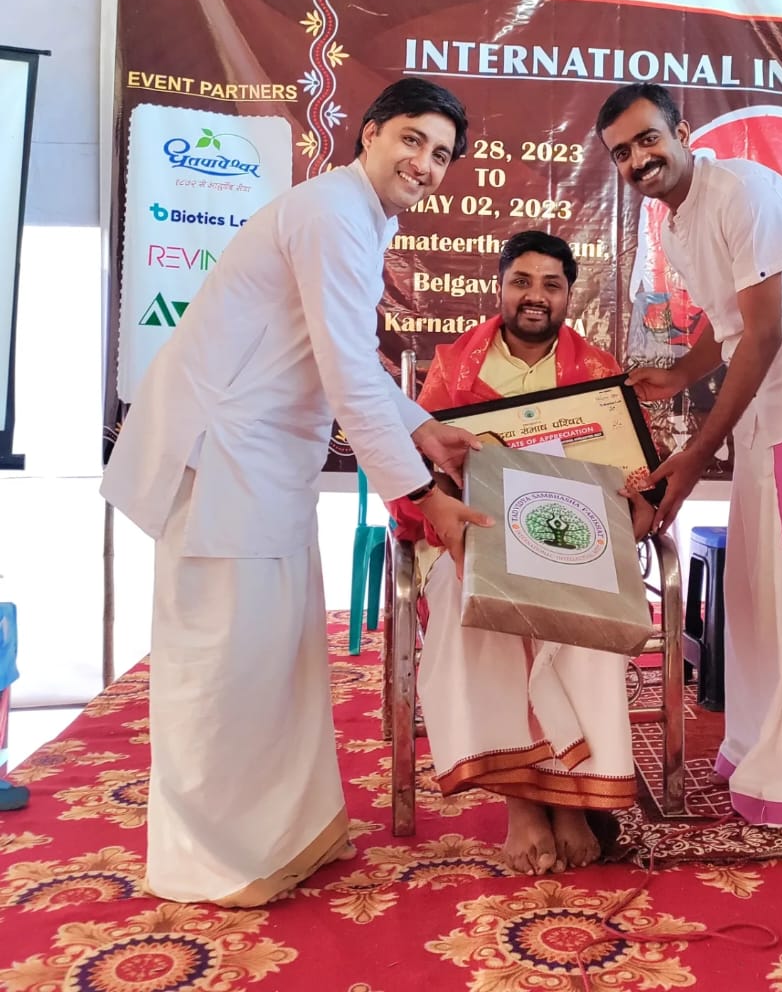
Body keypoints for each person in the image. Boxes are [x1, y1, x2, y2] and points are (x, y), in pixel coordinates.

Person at [101, 78, 491, 905]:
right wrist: (427, 496)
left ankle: (290, 835)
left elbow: (340, 355)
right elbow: (346, 372)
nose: (425, 164)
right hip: (222, 459)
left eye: (441, 154)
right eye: (413, 140)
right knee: (223, 663)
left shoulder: (358, 216)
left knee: (277, 654)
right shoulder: (330, 212)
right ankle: (214, 862)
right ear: (371, 133)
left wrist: (424, 426)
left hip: (267, 463)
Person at [595, 82, 782, 843]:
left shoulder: (741, 192)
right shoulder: (678, 221)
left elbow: (763, 334)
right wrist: (679, 372)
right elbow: (730, 323)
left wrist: (697, 454)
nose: (638, 159)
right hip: (775, 384)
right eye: (622, 153)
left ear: (681, 130)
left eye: (647, 139)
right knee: (761, 573)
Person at [391, 231, 650, 875]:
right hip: (471, 538)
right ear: (501, 288)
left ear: (569, 295)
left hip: (569, 540)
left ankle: (572, 799)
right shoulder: (453, 369)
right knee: (473, 602)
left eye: (551, 285)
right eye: (522, 282)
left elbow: (637, 482)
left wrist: (633, 498)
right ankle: (522, 804)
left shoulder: (598, 375)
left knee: (588, 611)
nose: (536, 296)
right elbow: (410, 471)